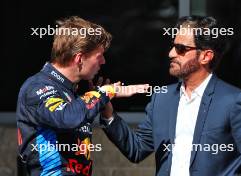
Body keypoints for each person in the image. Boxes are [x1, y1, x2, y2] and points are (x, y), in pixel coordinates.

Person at [101, 16, 241, 176]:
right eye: (173, 46)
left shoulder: (234, 101)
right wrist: (108, 114)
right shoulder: (162, 98)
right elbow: (137, 150)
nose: (171, 53)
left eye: (181, 49)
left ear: (205, 56)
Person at [16, 16, 148, 176]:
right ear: (79, 58)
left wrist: (106, 108)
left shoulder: (72, 91)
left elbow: (134, 151)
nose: (104, 61)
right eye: (99, 56)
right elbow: (67, 117)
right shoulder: (37, 87)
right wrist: (105, 92)